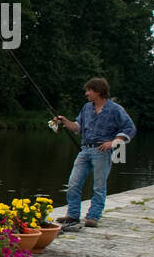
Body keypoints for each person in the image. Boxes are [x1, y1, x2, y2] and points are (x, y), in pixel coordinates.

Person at [52, 77, 135, 230]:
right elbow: (77, 127)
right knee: (73, 183)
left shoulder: (115, 109)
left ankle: (93, 216)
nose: (86, 93)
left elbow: (129, 128)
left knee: (98, 186)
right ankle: (73, 214)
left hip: (102, 152)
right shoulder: (86, 108)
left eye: (89, 90)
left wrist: (114, 141)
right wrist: (65, 121)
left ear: (98, 91)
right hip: (85, 150)